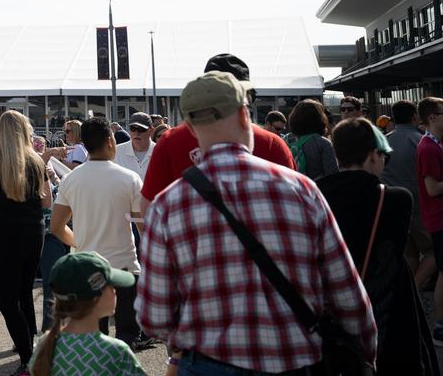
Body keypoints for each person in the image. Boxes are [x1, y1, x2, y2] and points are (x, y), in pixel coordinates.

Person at [138, 71, 377, 373]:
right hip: (296, 360)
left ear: (192, 127)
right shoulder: (302, 190)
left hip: (209, 363)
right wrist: (366, 356)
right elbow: (347, 295)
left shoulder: (168, 205)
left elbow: (153, 316)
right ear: (243, 114)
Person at [319, 117, 438, 374]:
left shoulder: (314, 194)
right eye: (383, 155)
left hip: (331, 307)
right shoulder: (395, 200)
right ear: (374, 154)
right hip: (388, 306)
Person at [140, 53, 295, 207]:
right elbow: (297, 204)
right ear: (245, 105)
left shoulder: (170, 141)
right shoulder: (272, 144)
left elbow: (147, 208)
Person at [50, 117, 146, 349]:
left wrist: (79, 242)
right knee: (127, 334)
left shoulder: (71, 180)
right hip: (124, 265)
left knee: (94, 335)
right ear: (111, 141)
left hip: (87, 266)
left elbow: (56, 226)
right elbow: (143, 226)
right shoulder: (129, 178)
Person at [0, 110, 52, 373]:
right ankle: (31, 347)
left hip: (7, 232)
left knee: (6, 298)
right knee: (24, 292)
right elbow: (47, 202)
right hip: (34, 230)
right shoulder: (36, 161)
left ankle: (29, 358)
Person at [30, 251, 145, 376]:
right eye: (111, 285)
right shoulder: (116, 352)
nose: (115, 290)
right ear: (96, 297)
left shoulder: (43, 346)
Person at [383, 99, 436, 290]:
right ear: (415, 117)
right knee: (433, 251)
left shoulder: (384, 140)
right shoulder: (421, 140)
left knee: (410, 253)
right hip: (418, 205)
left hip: (391, 205)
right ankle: (413, 287)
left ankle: (409, 289)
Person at [415, 95, 443, 343]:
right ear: (432, 117)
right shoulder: (428, 147)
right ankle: (440, 327)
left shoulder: (434, 144)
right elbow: (433, 188)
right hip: (439, 219)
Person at [286, 98, 338, 180]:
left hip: (293, 190)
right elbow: (333, 177)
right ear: (320, 118)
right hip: (317, 190)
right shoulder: (323, 143)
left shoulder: (285, 140)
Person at [113, 113, 154, 182]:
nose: (137, 133)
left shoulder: (160, 151)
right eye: (133, 129)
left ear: (151, 130)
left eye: (141, 129)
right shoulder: (116, 152)